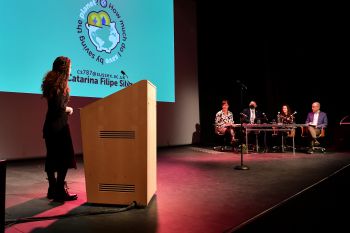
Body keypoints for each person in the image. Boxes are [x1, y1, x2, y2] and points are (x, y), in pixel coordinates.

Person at [41, 56, 78, 202]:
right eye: (70, 67)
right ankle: (59, 191)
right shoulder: (60, 85)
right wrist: (68, 109)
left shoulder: (52, 83)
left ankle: (53, 189)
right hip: (59, 128)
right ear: (65, 68)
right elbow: (58, 108)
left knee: (52, 159)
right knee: (64, 160)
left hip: (50, 127)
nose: (71, 70)